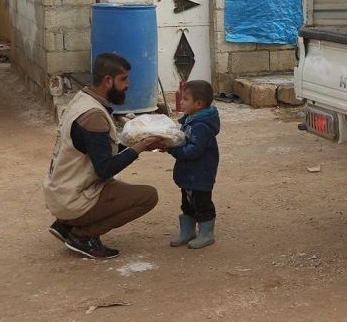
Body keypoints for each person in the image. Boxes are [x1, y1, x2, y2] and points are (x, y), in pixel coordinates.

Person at [44, 52, 161, 259]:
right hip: (73, 199)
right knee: (148, 196)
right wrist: (140, 147)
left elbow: (100, 150)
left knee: (115, 187)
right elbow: (105, 168)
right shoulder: (94, 116)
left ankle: (66, 225)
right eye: (123, 79)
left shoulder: (82, 99)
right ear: (108, 81)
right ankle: (82, 235)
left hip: (61, 190)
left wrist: (133, 140)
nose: (128, 85)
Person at [167, 80, 220, 249]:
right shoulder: (190, 120)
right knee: (187, 204)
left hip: (200, 174)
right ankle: (188, 232)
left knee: (202, 204)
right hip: (188, 174)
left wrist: (173, 149)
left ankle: (206, 233)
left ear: (199, 104)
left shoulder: (201, 126)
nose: (181, 102)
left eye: (185, 99)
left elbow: (193, 150)